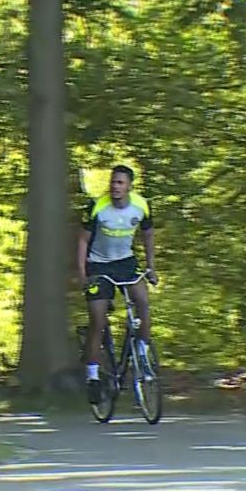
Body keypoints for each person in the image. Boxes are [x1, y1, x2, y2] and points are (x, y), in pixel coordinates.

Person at [78, 164, 158, 405]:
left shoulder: (141, 206)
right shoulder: (97, 207)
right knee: (98, 320)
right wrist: (82, 274)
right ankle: (92, 376)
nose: (115, 187)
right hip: (98, 265)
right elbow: (82, 241)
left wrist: (151, 267)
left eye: (120, 183)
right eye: (113, 182)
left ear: (129, 186)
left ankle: (141, 352)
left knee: (143, 302)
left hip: (125, 263)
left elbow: (148, 234)